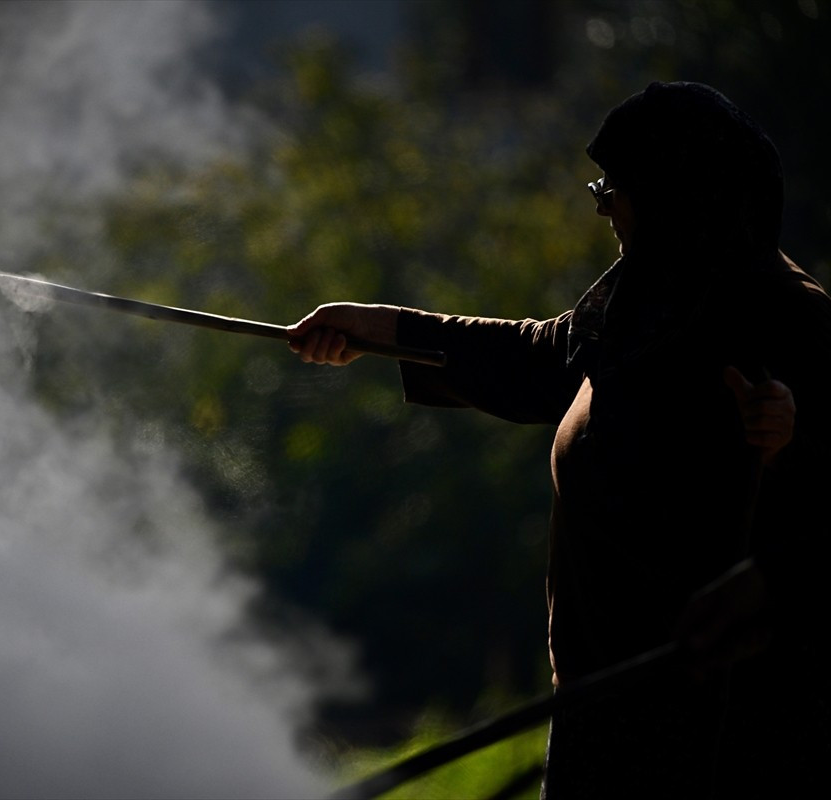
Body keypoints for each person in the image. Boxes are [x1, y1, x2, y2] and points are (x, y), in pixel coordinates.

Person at [287, 81, 831, 797]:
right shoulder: (641, 303)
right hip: (604, 707)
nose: (602, 205)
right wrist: (374, 328)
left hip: (726, 728)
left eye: (617, 188)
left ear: (677, 195)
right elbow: (533, 359)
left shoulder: (788, 317)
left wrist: (789, 434)